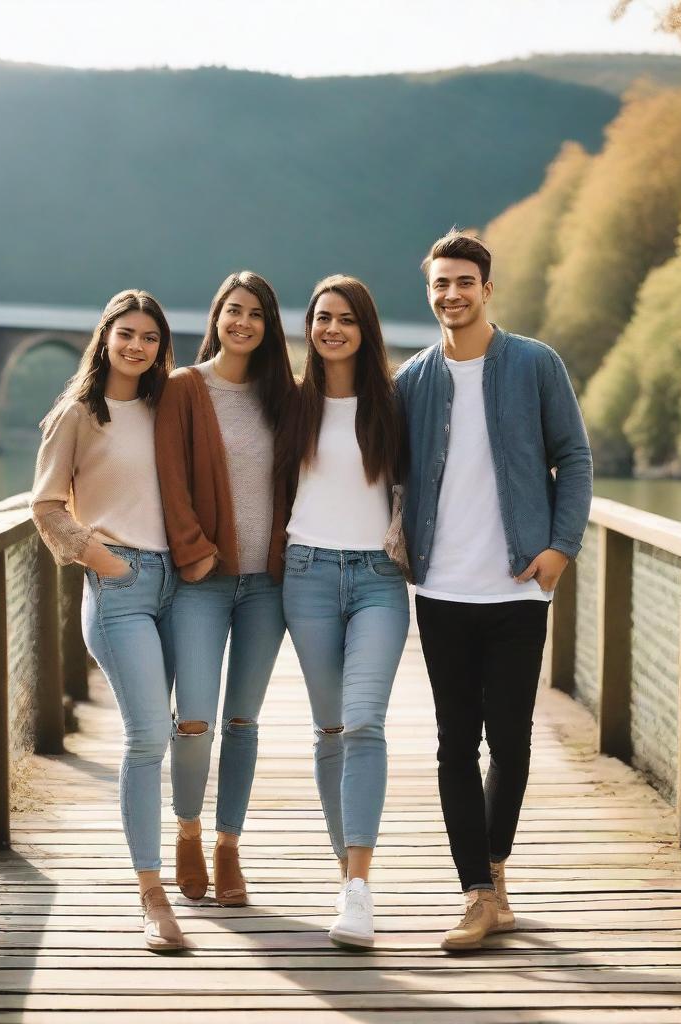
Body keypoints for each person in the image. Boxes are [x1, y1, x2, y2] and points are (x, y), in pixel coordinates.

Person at [395, 231, 592, 951]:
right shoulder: (411, 379)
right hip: (442, 589)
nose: (452, 294)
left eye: (464, 282)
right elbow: (382, 464)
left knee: (509, 740)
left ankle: (496, 873)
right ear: (430, 291)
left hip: (516, 589)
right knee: (455, 744)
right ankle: (477, 892)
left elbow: (572, 456)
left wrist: (560, 548)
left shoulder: (535, 364)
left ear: (487, 287)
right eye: (440, 283)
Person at [31, 288, 185, 952]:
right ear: (106, 337)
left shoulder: (169, 406)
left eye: (150, 337)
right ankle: (152, 895)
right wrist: (103, 560)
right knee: (147, 737)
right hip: (121, 587)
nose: (138, 346)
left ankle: (192, 855)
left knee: (182, 726)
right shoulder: (78, 415)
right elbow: (45, 505)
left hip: (182, 584)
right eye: (127, 333)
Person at [155, 271, 295, 908]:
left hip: (267, 583)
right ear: (217, 317)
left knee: (243, 722)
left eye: (257, 315)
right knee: (194, 720)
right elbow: (170, 482)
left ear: (269, 327)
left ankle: (228, 844)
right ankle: (186, 831)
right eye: (234, 311)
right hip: (205, 583)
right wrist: (198, 554)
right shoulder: (185, 388)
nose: (244, 323)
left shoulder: (284, 396)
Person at [279, 274, 408, 949]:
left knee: (364, 723)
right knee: (330, 730)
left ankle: (359, 888)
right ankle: (344, 877)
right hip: (306, 575)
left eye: (346, 319)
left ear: (366, 328)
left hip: (379, 578)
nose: (332, 328)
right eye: (322, 317)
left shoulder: (393, 403)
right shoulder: (291, 405)